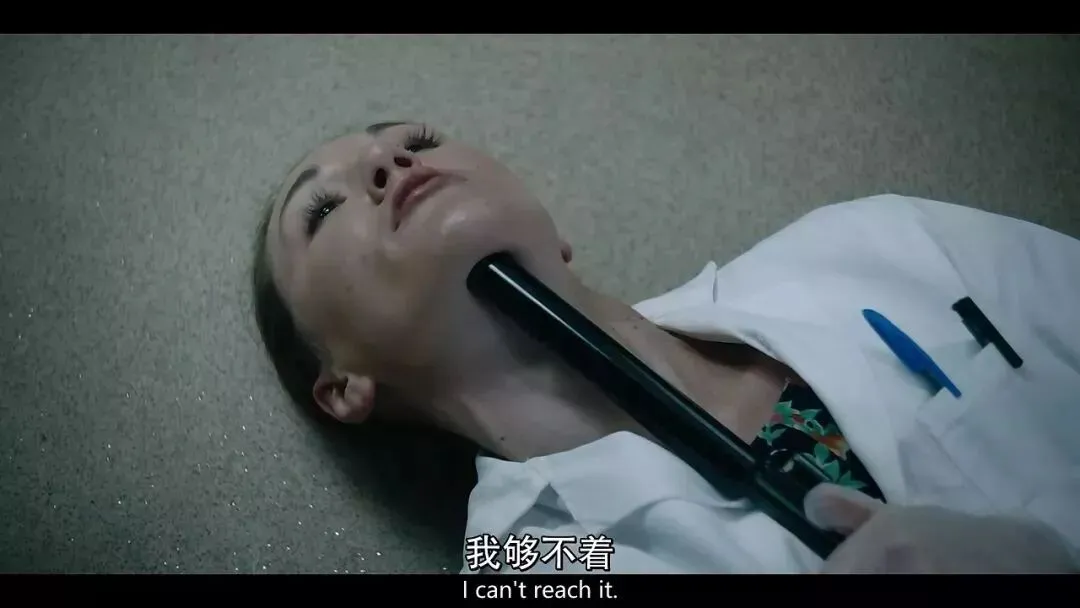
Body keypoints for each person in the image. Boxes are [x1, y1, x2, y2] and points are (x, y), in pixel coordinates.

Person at [252, 121, 1080, 573]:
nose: (390, 159)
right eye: (321, 211)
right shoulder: (529, 566)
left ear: (555, 236)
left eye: (421, 138)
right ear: (343, 385)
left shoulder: (867, 244)